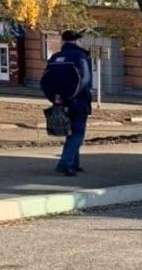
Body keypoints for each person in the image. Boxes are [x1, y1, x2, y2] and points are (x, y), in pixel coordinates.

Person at [41, 30, 93, 176]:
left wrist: (54, 97)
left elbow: (45, 80)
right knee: (77, 134)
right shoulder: (80, 56)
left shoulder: (55, 57)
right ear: (77, 41)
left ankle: (74, 163)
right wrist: (69, 95)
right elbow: (84, 80)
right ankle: (66, 163)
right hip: (78, 101)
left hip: (60, 102)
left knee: (70, 133)